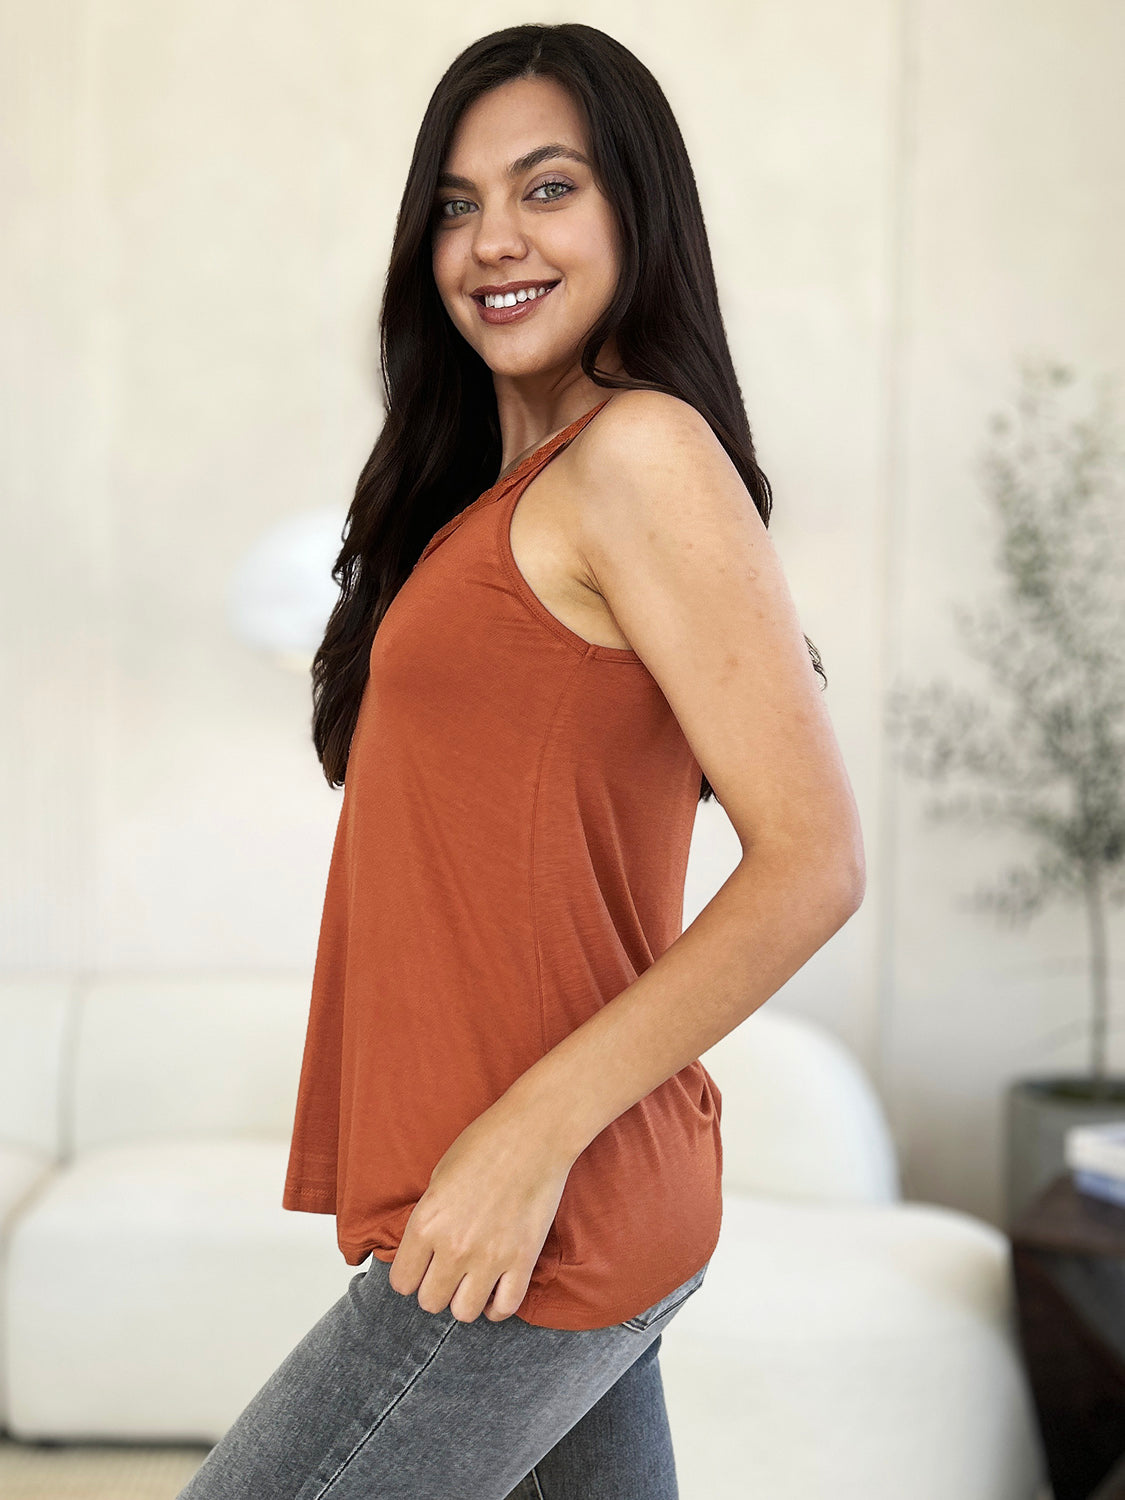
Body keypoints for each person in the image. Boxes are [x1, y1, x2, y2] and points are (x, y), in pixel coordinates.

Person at [178, 21, 864, 1500]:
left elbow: (815, 863)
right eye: (454, 201)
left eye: (547, 189)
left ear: (636, 211)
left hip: (541, 1209)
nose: (492, 238)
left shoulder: (639, 458)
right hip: (544, 1203)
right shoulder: (501, 496)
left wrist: (520, 1145)